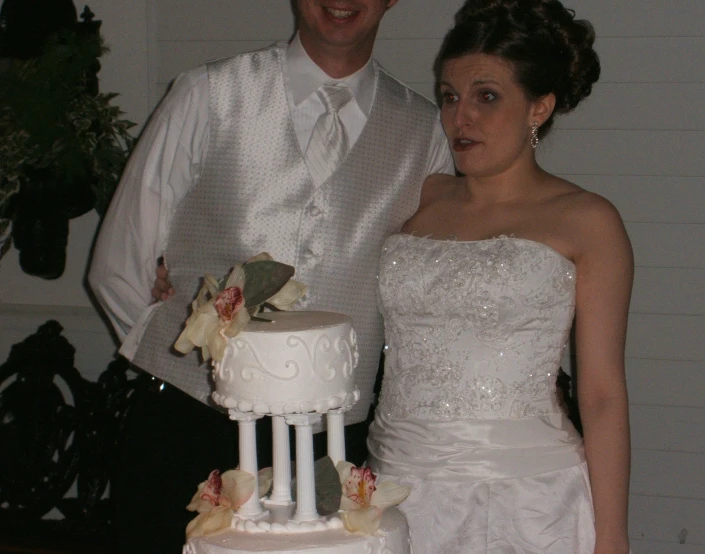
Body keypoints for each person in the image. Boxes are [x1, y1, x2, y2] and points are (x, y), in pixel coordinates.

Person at [88, 1, 453, 552]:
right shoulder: (207, 94)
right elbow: (118, 261)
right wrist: (181, 360)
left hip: (333, 443)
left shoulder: (426, 131)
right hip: (188, 426)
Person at [366, 1, 633, 553]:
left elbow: (602, 393)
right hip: (393, 484)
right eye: (449, 95)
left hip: (524, 497)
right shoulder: (421, 196)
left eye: (487, 96)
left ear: (539, 106)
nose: (460, 117)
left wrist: (612, 537)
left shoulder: (587, 220)